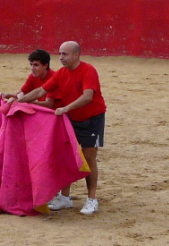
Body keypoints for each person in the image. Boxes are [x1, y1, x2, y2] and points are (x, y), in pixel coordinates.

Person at [15, 41, 106, 215]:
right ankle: (65, 198)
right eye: (60, 54)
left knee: (88, 158)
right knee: (66, 155)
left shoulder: (89, 70)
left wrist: (66, 108)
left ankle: (92, 199)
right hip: (71, 118)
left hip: (92, 119)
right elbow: (41, 91)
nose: (61, 58)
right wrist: (18, 101)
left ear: (76, 55)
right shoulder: (62, 74)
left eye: (65, 54)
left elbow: (88, 97)